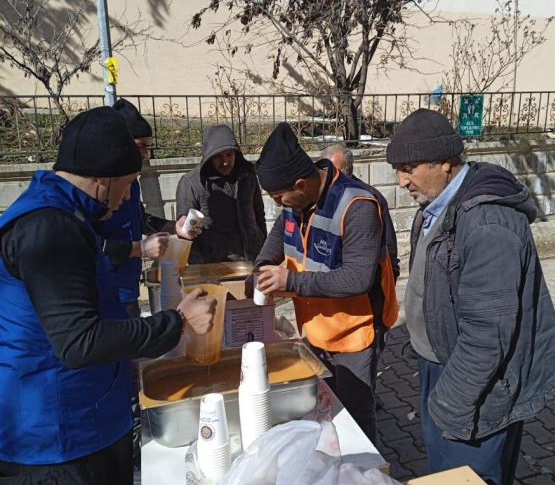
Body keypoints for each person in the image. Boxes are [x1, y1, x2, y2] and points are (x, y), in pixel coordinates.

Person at [0, 106, 216, 485]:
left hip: (86, 417)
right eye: (129, 181)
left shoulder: (67, 214)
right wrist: (177, 321)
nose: (129, 193)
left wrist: (125, 360)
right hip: (59, 440)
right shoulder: (49, 229)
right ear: (103, 178)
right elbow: (79, 342)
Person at [387, 109, 555, 484]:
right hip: (443, 366)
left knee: (463, 474)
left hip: (473, 383)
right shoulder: (434, 207)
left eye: (408, 167)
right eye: (398, 168)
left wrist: (451, 404)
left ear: (445, 163)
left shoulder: (488, 223)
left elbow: (488, 336)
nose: (401, 179)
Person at [253, 123, 398, 444]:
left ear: (301, 184)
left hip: (354, 333)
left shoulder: (357, 205)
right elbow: (276, 242)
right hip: (315, 328)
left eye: (278, 197)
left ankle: (365, 472)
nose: (277, 204)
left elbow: (357, 278)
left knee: (356, 414)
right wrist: (262, 269)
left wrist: (288, 280)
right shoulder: (296, 203)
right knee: (326, 407)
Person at [95, 98, 195, 319]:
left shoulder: (132, 182)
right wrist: (138, 249)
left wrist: (173, 226)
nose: (145, 154)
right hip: (104, 292)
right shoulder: (98, 188)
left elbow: (139, 219)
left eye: (147, 147)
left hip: (128, 288)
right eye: (141, 146)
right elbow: (89, 248)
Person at [176, 125, 267, 265]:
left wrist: (265, 251)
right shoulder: (192, 182)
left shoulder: (248, 175)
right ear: (208, 157)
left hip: (253, 260)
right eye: (218, 157)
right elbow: (184, 225)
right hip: (215, 266)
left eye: (229, 155)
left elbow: (259, 213)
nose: (225, 162)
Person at [320, 144, 400, 282]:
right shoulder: (318, 197)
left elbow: (388, 245)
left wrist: (391, 277)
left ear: (349, 171)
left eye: (335, 173)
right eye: (325, 172)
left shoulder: (369, 199)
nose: (329, 179)